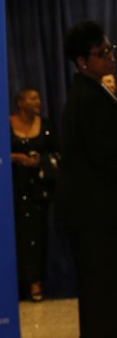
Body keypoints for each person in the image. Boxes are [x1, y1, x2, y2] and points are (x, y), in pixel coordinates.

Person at [57, 20, 117, 337]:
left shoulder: (91, 92)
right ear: (82, 61)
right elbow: (107, 157)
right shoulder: (89, 99)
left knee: (101, 293)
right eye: (101, 52)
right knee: (100, 295)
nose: (110, 57)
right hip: (95, 216)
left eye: (110, 49)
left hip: (93, 213)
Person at [9, 89, 58, 302]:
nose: (38, 101)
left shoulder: (45, 125)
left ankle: (36, 283)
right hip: (13, 188)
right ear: (20, 103)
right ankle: (16, 284)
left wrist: (41, 160)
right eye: (32, 98)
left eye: (39, 97)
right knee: (17, 234)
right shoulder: (7, 123)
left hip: (38, 189)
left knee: (38, 235)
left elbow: (57, 151)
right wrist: (18, 158)